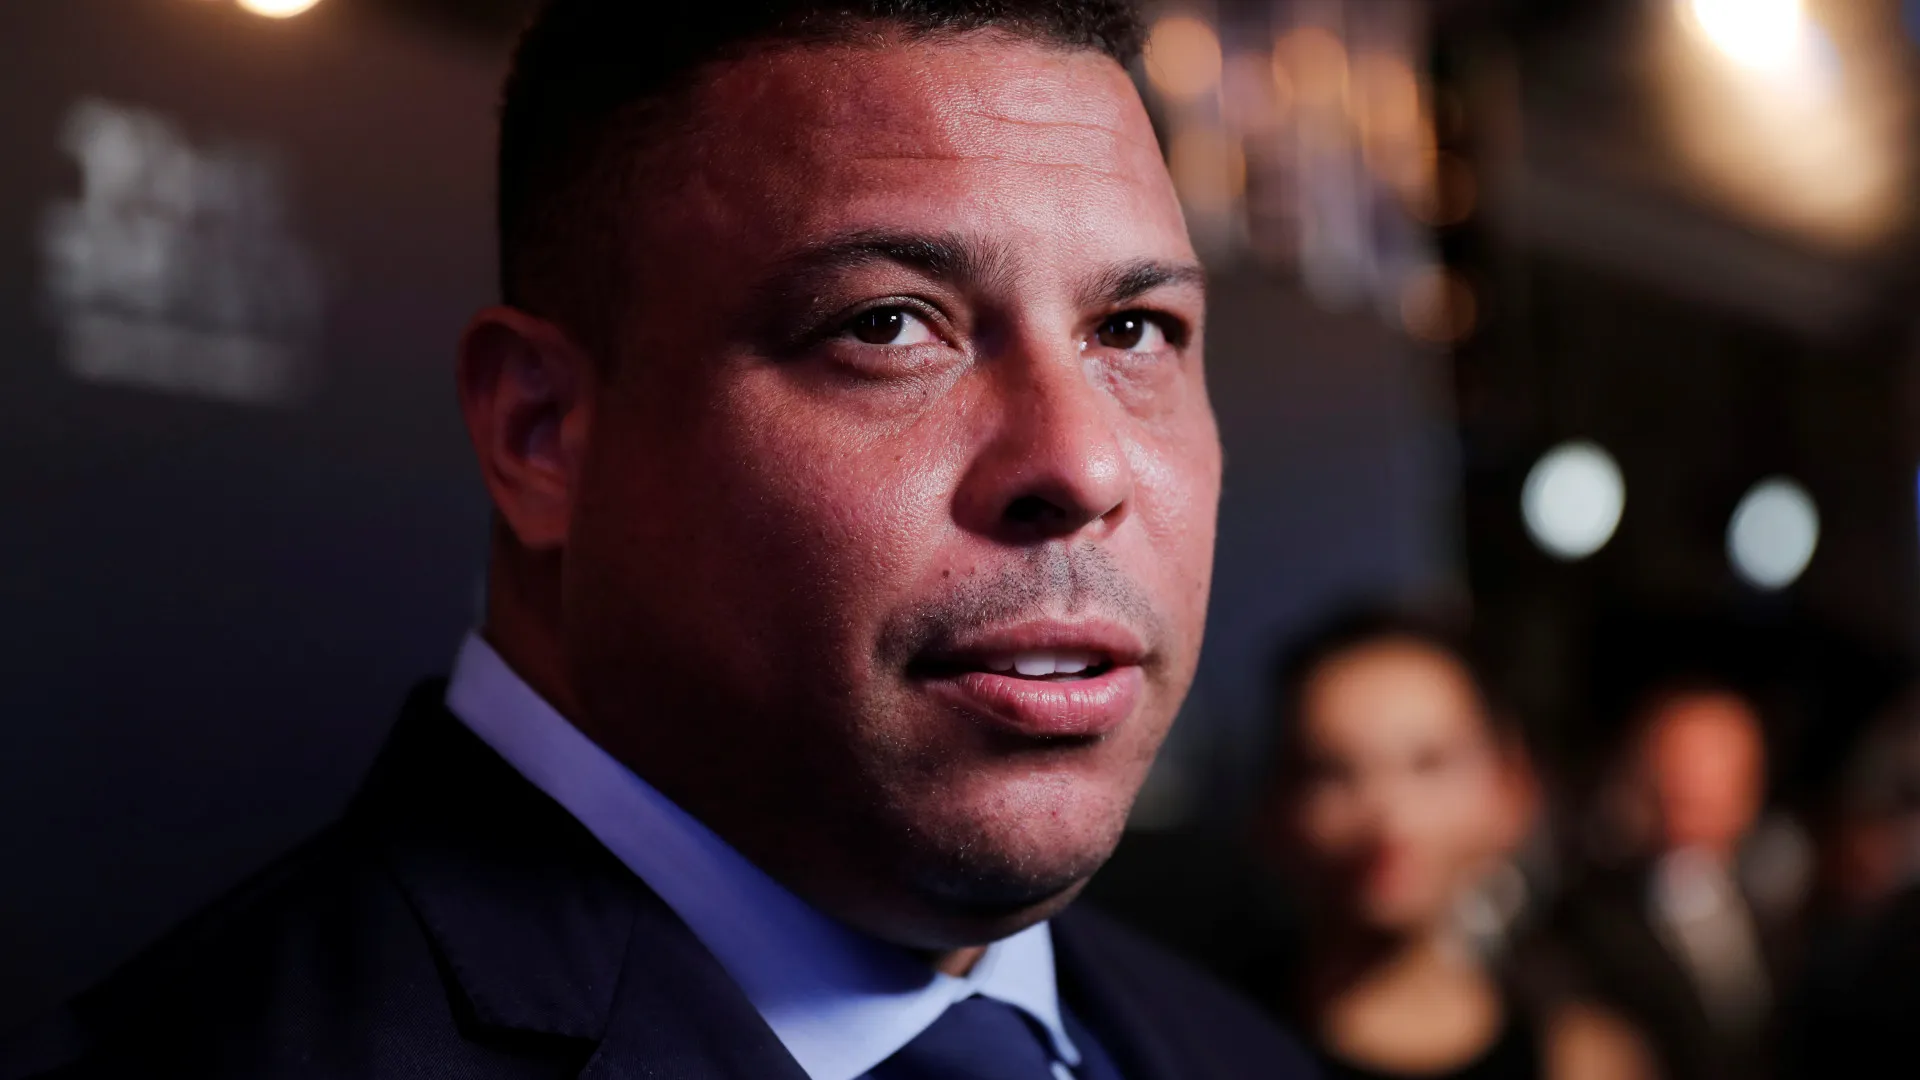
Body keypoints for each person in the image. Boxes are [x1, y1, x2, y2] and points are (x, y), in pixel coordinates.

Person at [0, 2, 1319, 1078]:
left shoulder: (1238, 1053)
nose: (1081, 466)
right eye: (885, 325)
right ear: (540, 432)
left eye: (1133, 330)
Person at [1257, 609, 1654, 1080]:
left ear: (1510, 787)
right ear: (1278, 807)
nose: (1388, 815)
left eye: (1429, 764)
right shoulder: (1210, 1049)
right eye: (1335, 772)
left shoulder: (1585, 1059)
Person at [1556, 679, 1785, 1080]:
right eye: (1677, 762)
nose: (1690, 782)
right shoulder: (1586, 922)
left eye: (1715, 762)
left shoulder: (1785, 907)